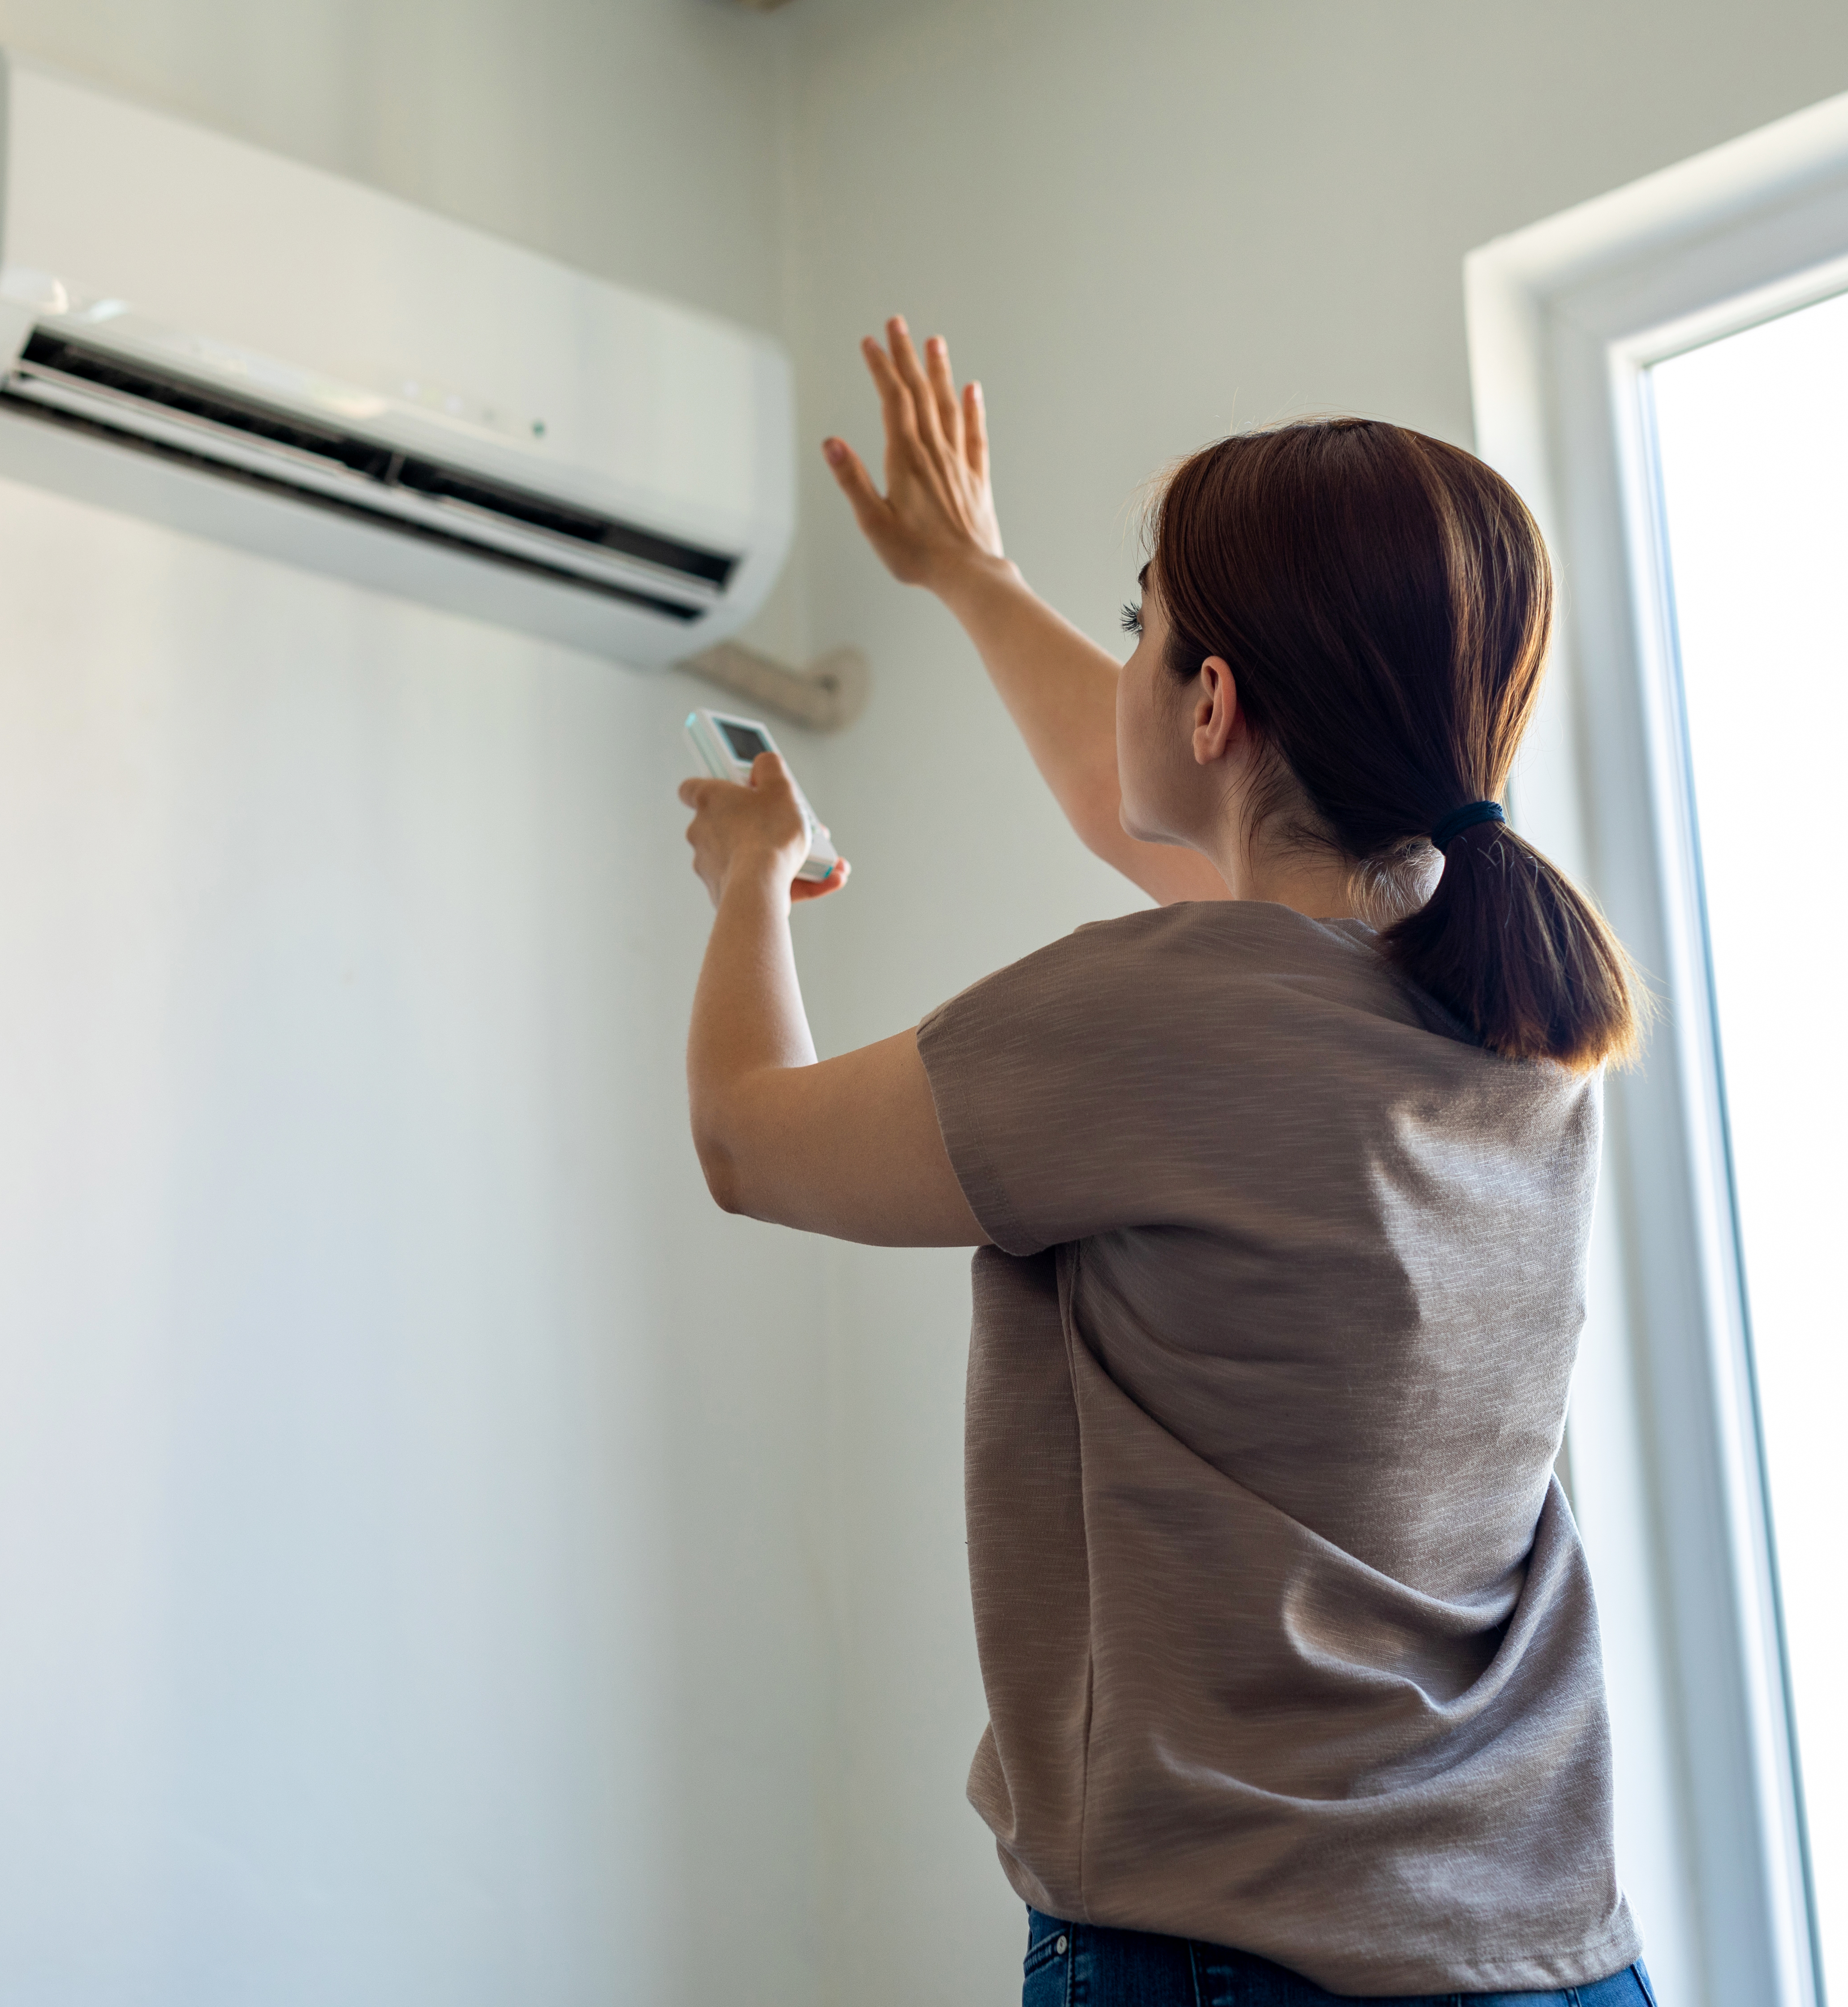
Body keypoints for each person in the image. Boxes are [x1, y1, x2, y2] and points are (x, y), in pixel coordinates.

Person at [675, 317, 1651, 2007]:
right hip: (1549, 1956)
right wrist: (972, 575)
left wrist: (752, 878)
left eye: (1145, 630)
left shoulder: (1156, 1020)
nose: (1127, 664)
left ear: (1213, 705)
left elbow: (747, 1140)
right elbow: (1126, 794)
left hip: (1233, 1967)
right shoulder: (1502, 1025)